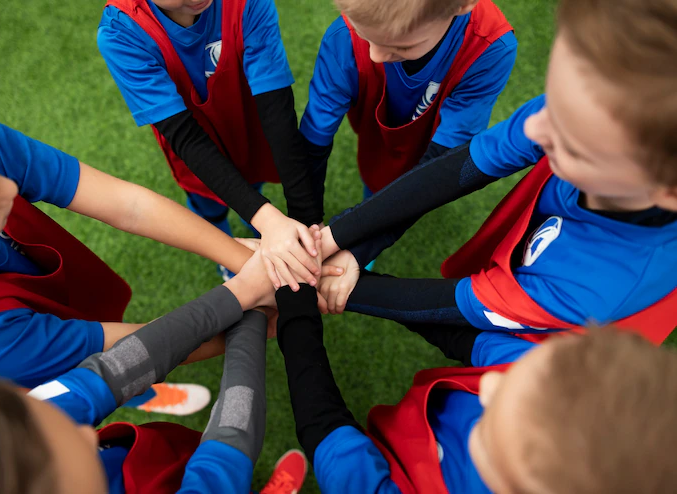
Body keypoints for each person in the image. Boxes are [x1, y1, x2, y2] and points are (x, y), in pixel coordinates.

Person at [316, 0, 677, 343]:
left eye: (569, 138)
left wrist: (316, 277)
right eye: (550, 101)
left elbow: (463, 307)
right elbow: (458, 168)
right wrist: (340, 240)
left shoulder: (599, 287)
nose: (533, 130)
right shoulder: (597, 117)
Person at [0, 80, 254, 388]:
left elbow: (128, 206)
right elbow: (128, 350)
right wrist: (252, 317)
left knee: (103, 344)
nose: (9, 187)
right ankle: (141, 394)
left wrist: (250, 263)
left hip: (46, 299)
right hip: (20, 353)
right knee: (98, 377)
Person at [0, 250, 308, 494]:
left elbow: (115, 369)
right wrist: (255, 317)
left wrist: (241, 293)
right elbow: (229, 443)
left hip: (151, 462)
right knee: (224, 475)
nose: (89, 433)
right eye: (76, 445)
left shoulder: (13, 430)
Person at [275, 281, 677, 493]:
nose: (487, 387)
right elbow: (472, 341)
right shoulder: (560, 388)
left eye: (489, 428)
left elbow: (324, 427)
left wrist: (295, 315)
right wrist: (361, 288)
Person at [97, 0, 322, 288]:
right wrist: (270, 221)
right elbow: (186, 138)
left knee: (253, 184)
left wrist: (307, 222)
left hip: (248, 131)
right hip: (195, 156)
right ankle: (226, 248)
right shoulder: (122, 32)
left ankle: (257, 221)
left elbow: (276, 110)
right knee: (208, 206)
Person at [300, 0, 517, 241]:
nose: (375, 56)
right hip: (378, 136)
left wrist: (358, 244)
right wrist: (308, 217)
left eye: (401, 47)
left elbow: (445, 158)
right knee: (378, 171)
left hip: (431, 145)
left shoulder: (488, 47)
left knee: (390, 186)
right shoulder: (345, 34)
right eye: (363, 33)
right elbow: (314, 137)